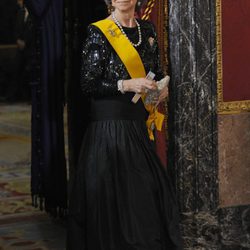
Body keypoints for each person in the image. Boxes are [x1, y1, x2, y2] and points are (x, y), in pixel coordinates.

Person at [67, 0, 183, 249]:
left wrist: (160, 91)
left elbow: (156, 73)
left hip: (137, 126)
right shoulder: (98, 31)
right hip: (109, 130)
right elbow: (88, 84)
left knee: (146, 197)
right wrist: (127, 84)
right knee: (115, 201)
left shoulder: (147, 30)